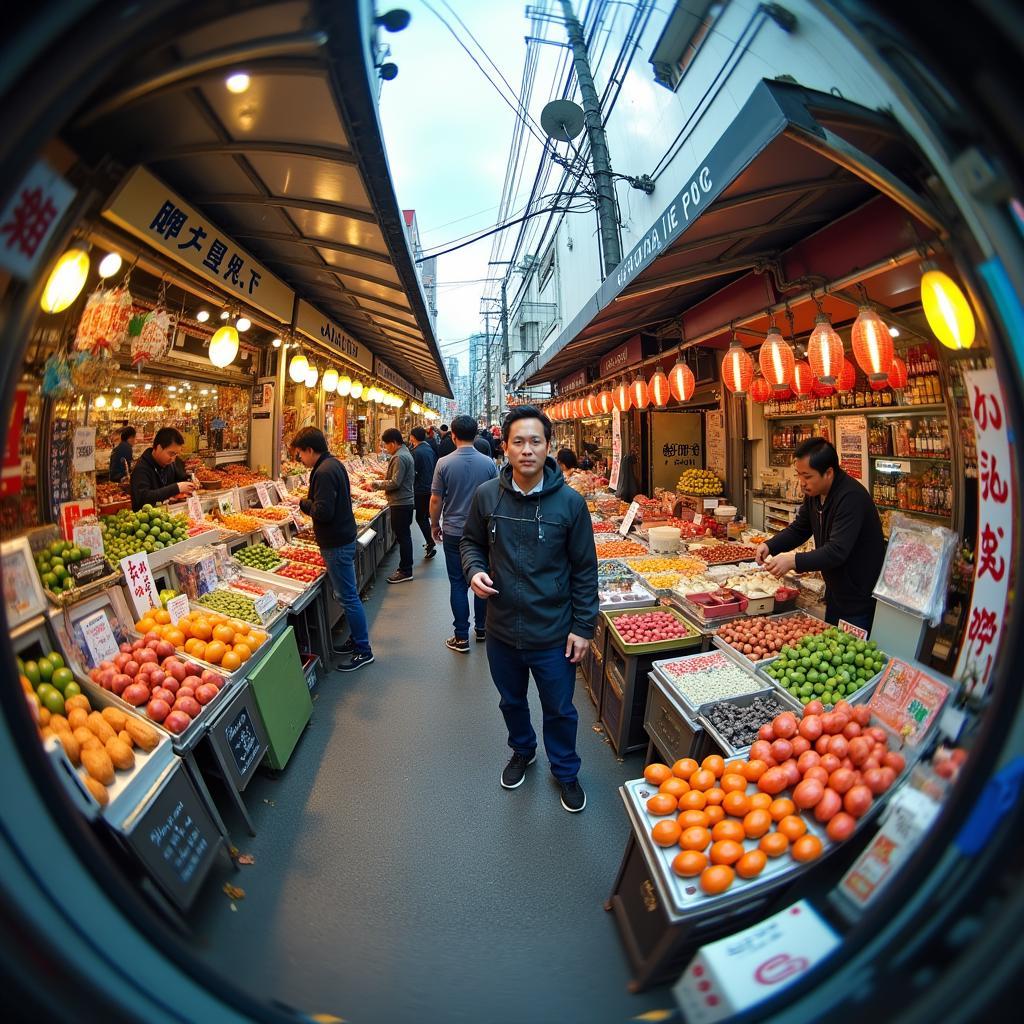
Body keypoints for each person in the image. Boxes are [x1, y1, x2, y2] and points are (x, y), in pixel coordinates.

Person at [461, 405, 598, 814]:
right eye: (518, 441)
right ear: (505, 447)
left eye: (535, 441)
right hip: (502, 627)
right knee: (511, 701)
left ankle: (566, 770)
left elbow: (585, 569)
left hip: (553, 631)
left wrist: (584, 627)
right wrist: (474, 570)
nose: (526, 450)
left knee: (560, 708)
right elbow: (469, 542)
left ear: (548, 447)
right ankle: (523, 750)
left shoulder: (571, 504)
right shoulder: (487, 495)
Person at [756, 436, 885, 632]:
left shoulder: (851, 498)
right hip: (835, 591)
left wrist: (793, 560)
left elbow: (837, 551)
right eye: (798, 475)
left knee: (850, 654)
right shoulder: (814, 495)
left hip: (858, 595)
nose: (802, 483)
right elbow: (800, 528)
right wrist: (770, 545)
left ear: (829, 473)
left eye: (807, 476)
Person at [291, 427, 373, 671]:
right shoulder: (333, 464)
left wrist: (303, 503)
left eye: (300, 454)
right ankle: (356, 639)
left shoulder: (324, 472)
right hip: (343, 536)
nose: (300, 459)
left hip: (336, 542)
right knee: (348, 595)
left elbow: (323, 512)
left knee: (348, 597)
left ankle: (363, 649)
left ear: (309, 450)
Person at [430, 414, 498, 653]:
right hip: (483, 532)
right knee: (482, 578)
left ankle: (461, 637)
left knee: (458, 583)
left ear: (454, 435)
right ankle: (481, 629)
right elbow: (497, 498)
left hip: (454, 530)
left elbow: (436, 498)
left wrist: (434, 524)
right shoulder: (489, 464)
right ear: (476, 435)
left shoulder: (443, 463)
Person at [375, 427, 416, 584]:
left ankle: (406, 570)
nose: (386, 448)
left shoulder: (399, 457)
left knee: (403, 537)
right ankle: (405, 568)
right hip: (405, 501)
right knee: (404, 536)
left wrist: (377, 484)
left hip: (401, 502)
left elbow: (395, 482)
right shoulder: (405, 453)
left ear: (393, 443)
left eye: (386, 445)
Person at [129, 427, 195, 511]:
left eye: (176, 454)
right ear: (159, 448)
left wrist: (190, 481)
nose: (173, 459)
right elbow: (143, 498)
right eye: (171, 454)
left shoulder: (169, 464)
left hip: (166, 515)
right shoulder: (141, 469)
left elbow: (180, 479)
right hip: (146, 519)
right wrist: (176, 488)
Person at [409, 426, 437, 559]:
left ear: (413, 437)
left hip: (421, 488)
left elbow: (412, 472)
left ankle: (430, 543)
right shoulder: (428, 449)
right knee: (424, 516)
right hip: (429, 486)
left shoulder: (416, 452)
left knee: (421, 517)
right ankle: (430, 542)